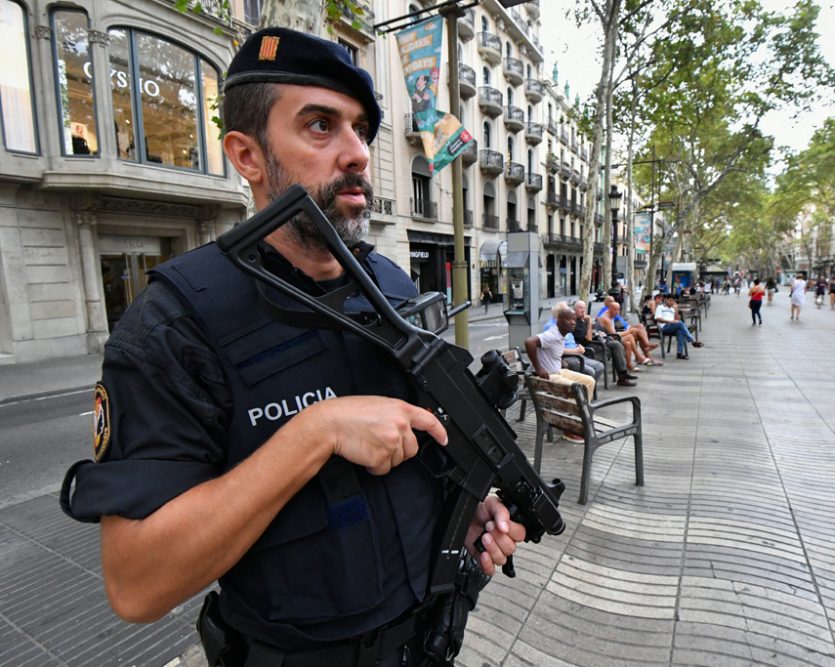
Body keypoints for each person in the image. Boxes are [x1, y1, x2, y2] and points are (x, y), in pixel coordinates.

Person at [59, 28, 525, 666]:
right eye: (319, 126)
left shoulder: (390, 284)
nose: (357, 152)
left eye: (361, 129)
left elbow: (419, 456)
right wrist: (315, 433)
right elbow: (136, 584)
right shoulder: (175, 320)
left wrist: (465, 512)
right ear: (247, 156)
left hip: (426, 641)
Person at [524, 305, 596, 442]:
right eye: (569, 319)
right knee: (578, 389)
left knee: (589, 381)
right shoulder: (553, 334)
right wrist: (539, 368)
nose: (573, 322)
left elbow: (549, 351)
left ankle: (580, 417)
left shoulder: (563, 334)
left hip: (557, 370)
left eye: (574, 319)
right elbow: (529, 342)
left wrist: (559, 361)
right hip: (548, 376)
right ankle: (570, 428)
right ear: (559, 320)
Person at [573, 299, 636, 387]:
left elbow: (591, 334)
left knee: (616, 344)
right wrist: (590, 323)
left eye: (584, 308)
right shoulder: (575, 322)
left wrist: (596, 333)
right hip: (587, 348)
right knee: (616, 346)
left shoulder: (582, 320)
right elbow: (588, 339)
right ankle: (622, 376)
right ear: (574, 310)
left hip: (596, 343)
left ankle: (623, 374)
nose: (583, 310)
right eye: (580, 308)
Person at [542, 302, 604, 385]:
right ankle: (580, 393)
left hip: (577, 354)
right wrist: (575, 351)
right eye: (568, 316)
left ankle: (584, 392)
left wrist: (578, 347)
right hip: (567, 358)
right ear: (560, 316)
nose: (572, 321)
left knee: (599, 366)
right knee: (591, 372)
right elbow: (556, 349)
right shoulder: (551, 327)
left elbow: (572, 341)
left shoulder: (565, 324)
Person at [654, 294, 703, 360]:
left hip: (673, 327)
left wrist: (676, 310)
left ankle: (679, 353)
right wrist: (670, 321)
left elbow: (677, 319)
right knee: (680, 324)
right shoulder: (660, 307)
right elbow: (658, 319)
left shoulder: (672, 309)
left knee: (680, 331)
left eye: (673, 301)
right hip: (664, 327)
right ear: (666, 300)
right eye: (670, 300)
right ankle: (692, 340)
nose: (672, 302)